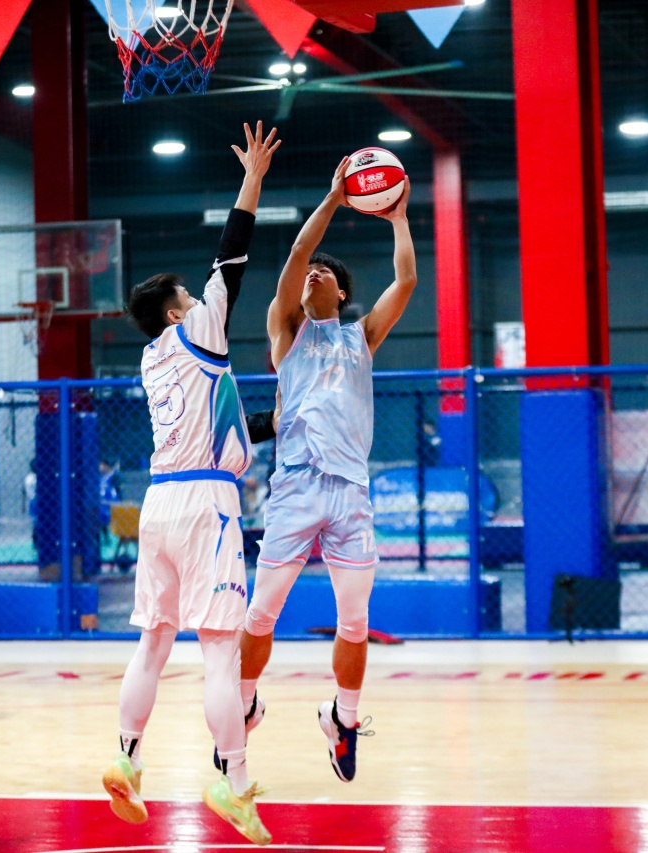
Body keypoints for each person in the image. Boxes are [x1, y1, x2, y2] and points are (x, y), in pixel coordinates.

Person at [101, 122, 280, 847]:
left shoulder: (152, 359)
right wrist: (253, 180)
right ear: (180, 312)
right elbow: (231, 257)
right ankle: (234, 783)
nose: (202, 296)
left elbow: (225, 426)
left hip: (161, 499)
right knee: (218, 652)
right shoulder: (200, 330)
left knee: (151, 642)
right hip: (207, 503)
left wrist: (276, 420)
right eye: (191, 294)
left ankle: (126, 756)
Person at [239, 159, 416, 783]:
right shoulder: (286, 331)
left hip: (350, 492)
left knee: (356, 621)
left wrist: (398, 218)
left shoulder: (361, 337)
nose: (314, 272)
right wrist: (335, 198)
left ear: (341, 293)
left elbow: (406, 280)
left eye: (326, 273)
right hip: (294, 487)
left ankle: (343, 718)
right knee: (261, 613)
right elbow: (295, 253)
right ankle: (243, 705)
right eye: (310, 271)